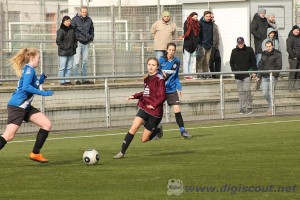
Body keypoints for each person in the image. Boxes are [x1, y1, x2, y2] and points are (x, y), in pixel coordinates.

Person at [0, 48, 54, 163]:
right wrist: (43, 93)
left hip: (25, 106)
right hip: (17, 106)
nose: (39, 61)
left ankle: (35, 153)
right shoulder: (29, 70)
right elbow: (26, 87)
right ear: (32, 58)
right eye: (38, 58)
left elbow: (31, 86)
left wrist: (40, 81)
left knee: (46, 124)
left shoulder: (29, 70)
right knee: (8, 135)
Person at [113, 57, 166, 159]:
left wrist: (154, 105)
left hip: (155, 112)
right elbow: (146, 93)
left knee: (144, 139)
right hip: (144, 107)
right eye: (149, 64)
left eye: (153, 65)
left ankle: (158, 130)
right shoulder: (146, 78)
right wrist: (134, 96)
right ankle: (122, 152)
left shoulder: (160, 80)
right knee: (134, 127)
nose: (150, 67)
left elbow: (163, 96)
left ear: (157, 67)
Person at [159, 43, 192, 138]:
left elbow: (176, 76)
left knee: (177, 109)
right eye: (170, 50)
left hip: (172, 89)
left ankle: (183, 131)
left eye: (173, 50)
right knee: (158, 112)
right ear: (166, 49)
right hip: (161, 90)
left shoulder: (177, 61)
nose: (171, 52)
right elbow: (157, 73)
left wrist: (179, 87)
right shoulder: (161, 60)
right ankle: (158, 129)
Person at [230, 37, 257, 114]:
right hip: (238, 76)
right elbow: (231, 63)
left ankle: (249, 107)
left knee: (247, 91)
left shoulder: (249, 50)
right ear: (237, 43)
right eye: (239, 43)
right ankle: (242, 108)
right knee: (241, 92)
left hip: (247, 75)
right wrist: (234, 71)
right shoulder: (234, 51)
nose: (240, 45)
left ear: (244, 42)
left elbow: (253, 61)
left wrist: (254, 71)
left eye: (241, 43)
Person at [257, 41, 282, 115]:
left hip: (273, 77)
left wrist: (273, 75)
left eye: (269, 46)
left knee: (271, 93)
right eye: (267, 46)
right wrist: (259, 76)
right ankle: (272, 105)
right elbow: (261, 66)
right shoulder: (263, 54)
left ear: (272, 46)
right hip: (264, 76)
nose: (268, 48)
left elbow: (279, 66)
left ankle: (271, 109)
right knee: (264, 93)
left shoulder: (277, 54)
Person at [71, 5, 94, 85]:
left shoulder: (89, 20)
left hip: (86, 43)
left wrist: (91, 38)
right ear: (80, 12)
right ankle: (76, 79)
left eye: (85, 12)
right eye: (83, 12)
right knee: (76, 62)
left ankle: (84, 79)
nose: (84, 13)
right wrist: (76, 39)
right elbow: (72, 30)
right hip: (78, 42)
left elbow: (92, 30)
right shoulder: (75, 19)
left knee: (85, 61)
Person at [56, 15, 77, 86]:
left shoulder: (72, 30)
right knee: (62, 67)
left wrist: (74, 46)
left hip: (71, 51)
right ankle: (62, 81)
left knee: (69, 67)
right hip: (63, 52)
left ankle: (67, 80)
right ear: (63, 22)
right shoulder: (60, 30)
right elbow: (58, 41)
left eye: (69, 21)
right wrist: (65, 47)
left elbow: (75, 39)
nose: (68, 22)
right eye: (67, 21)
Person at [182, 12, 200, 80]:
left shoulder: (197, 23)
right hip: (187, 45)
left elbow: (197, 34)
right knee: (187, 60)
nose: (195, 19)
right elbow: (186, 33)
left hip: (194, 45)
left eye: (196, 17)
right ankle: (186, 75)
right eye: (194, 17)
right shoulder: (187, 22)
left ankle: (191, 74)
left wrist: (196, 43)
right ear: (191, 16)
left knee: (192, 61)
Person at [196, 10, 213, 79]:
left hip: (209, 45)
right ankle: (199, 75)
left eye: (209, 16)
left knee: (207, 61)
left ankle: (205, 74)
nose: (208, 18)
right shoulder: (200, 23)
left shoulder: (211, 23)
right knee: (200, 61)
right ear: (204, 16)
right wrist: (199, 43)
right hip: (202, 45)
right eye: (207, 16)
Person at [286, 25, 300, 92]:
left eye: (298, 30)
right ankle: (291, 88)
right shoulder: (290, 38)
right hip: (293, 59)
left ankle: (296, 88)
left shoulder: (299, 38)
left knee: (298, 74)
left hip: (299, 59)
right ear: (292, 31)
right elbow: (289, 49)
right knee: (293, 73)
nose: (297, 31)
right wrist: (293, 57)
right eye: (296, 30)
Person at [209, 12, 221, 79]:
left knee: (218, 59)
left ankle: (218, 74)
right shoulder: (209, 25)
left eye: (213, 17)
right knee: (211, 61)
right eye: (211, 17)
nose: (212, 18)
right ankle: (213, 74)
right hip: (211, 45)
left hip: (216, 46)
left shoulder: (215, 25)